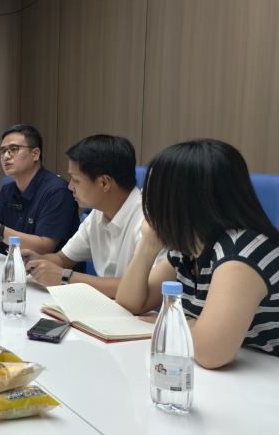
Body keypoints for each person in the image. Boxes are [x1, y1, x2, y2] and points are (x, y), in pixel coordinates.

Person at [116, 139, 279, 368]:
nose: (144, 196)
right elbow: (130, 303)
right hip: (245, 370)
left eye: (153, 190)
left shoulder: (241, 252)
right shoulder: (188, 247)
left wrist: (172, 323)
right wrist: (149, 241)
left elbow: (211, 352)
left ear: (181, 199)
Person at [23, 135, 146, 298]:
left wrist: (66, 277)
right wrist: (36, 260)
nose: (70, 186)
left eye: (76, 180)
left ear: (104, 182)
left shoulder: (148, 222)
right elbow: (63, 259)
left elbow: (142, 289)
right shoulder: (98, 213)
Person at [0, 124, 79, 254]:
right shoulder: (7, 190)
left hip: (44, 265)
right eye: (3, 151)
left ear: (35, 154)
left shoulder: (57, 191)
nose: (6, 156)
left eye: (13, 149)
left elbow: (45, 248)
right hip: (8, 261)